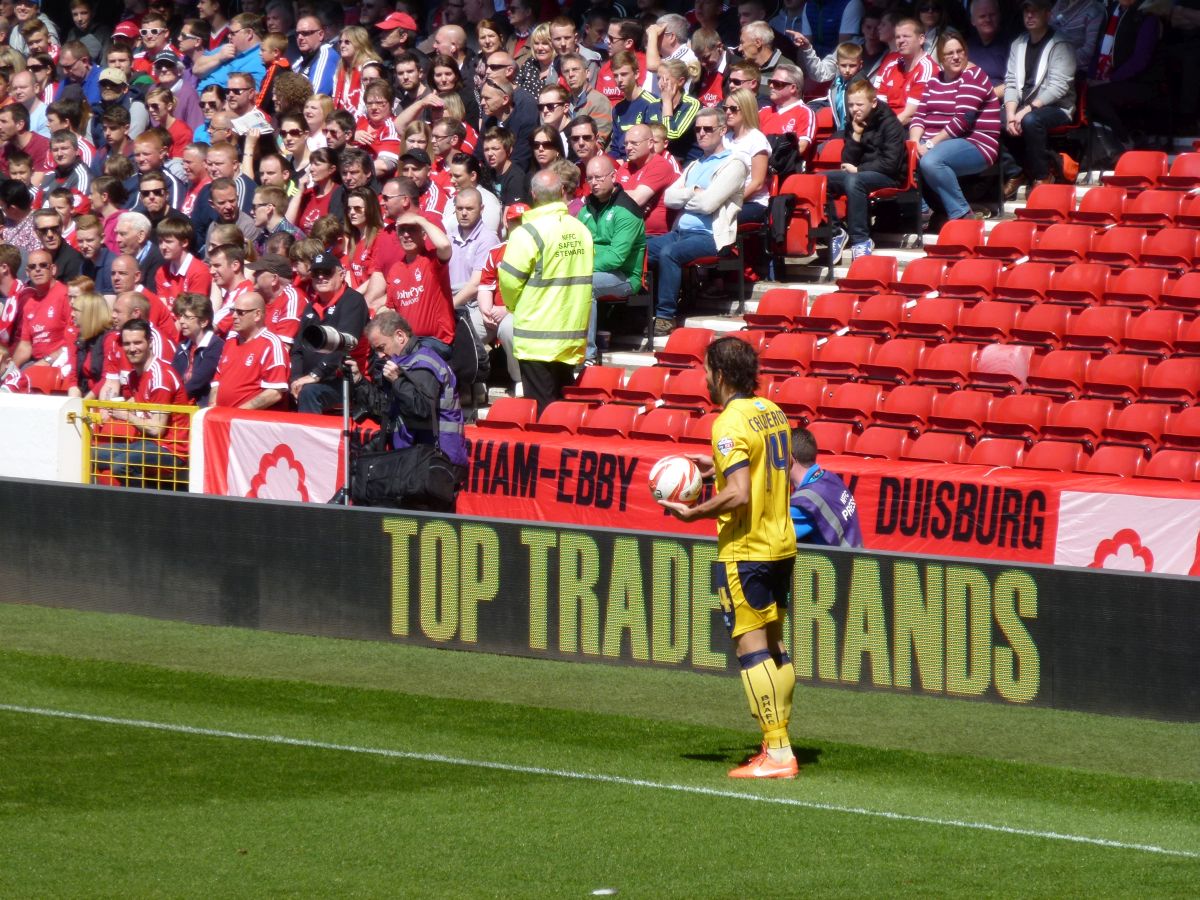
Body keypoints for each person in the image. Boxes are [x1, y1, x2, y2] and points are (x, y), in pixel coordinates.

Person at [656, 336, 799, 779]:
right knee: (776, 645)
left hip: (746, 550)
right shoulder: (772, 412)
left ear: (719, 374)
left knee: (751, 650)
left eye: (705, 371)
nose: (702, 378)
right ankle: (777, 742)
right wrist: (715, 468)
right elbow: (773, 470)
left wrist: (693, 512)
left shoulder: (727, 423)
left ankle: (777, 754)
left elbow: (738, 494)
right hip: (781, 543)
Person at [497, 168, 593, 412]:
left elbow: (509, 281)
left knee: (544, 411)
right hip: (570, 334)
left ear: (533, 195)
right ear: (562, 192)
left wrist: (512, 306)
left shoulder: (526, 233)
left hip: (536, 336)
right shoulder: (581, 230)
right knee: (564, 407)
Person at [646, 107, 747, 336]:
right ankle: (633, 310)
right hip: (681, 232)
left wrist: (689, 198)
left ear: (722, 130)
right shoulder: (693, 165)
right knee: (640, 247)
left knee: (669, 253)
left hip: (711, 235)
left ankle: (664, 316)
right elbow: (670, 198)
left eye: (708, 129)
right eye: (698, 129)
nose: (701, 133)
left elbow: (708, 204)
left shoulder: (734, 163)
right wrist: (693, 190)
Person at [349, 309, 469, 472]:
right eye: (375, 350)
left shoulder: (423, 363)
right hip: (415, 458)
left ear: (400, 336)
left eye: (382, 347)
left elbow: (422, 410)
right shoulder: (399, 365)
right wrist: (358, 380)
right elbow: (383, 411)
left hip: (439, 461)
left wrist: (398, 381)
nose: (379, 355)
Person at [909, 31, 1002, 224]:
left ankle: (961, 214)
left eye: (960, 51)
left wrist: (930, 144)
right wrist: (915, 143)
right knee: (903, 158)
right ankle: (934, 212)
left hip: (976, 143)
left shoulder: (973, 76)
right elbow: (920, 115)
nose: (956, 56)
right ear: (941, 58)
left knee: (931, 161)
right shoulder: (934, 80)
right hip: (938, 142)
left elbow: (963, 121)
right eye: (949, 53)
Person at [91, 318, 190, 488]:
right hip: (146, 444)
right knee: (88, 454)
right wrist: (112, 408)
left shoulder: (161, 377)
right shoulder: (133, 376)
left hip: (171, 449)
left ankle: (145, 508)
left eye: (137, 342)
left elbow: (156, 429)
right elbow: (138, 402)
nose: (132, 348)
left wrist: (126, 415)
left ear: (150, 342)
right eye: (127, 344)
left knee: (121, 464)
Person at [1001, 0, 1077, 198]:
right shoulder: (1018, 44)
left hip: (1056, 107)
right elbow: (1010, 82)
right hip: (1022, 106)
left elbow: (1059, 86)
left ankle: (1043, 175)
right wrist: (1010, 114)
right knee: (991, 119)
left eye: (1036, 11)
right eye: (1027, 11)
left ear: (1048, 15)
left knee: (1031, 120)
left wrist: (1026, 110)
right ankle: (1016, 172)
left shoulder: (1062, 44)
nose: (1030, 15)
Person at [826, 80, 907, 262]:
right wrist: (856, 135)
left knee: (854, 181)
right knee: (820, 180)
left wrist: (859, 169)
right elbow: (847, 161)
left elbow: (891, 163)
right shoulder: (853, 121)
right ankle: (836, 232)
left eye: (859, 104)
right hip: (861, 174)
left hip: (889, 176)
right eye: (851, 105)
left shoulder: (890, 123)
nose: (855, 109)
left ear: (874, 102)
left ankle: (861, 240)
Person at [579, 155, 646, 365]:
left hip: (625, 277)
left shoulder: (626, 210)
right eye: (589, 178)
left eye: (599, 177)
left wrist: (579, 266)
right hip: (591, 270)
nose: (594, 183)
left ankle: (588, 355)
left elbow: (616, 258)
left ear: (613, 176)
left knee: (584, 286)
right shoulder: (586, 208)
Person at [289, 251, 369, 414]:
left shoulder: (353, 300)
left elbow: (344, 344)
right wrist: (296, 379)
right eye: (316, 273)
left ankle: (309, 440)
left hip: (349, 381)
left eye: (326, 272)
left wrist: (315, 374)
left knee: (309, 392)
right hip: (316, 381)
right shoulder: (310, 307)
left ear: (341, 274)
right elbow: (297, 350)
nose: (320, 277)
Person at [209, 289, 290, 409]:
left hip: (250, 423)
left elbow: (274, 392)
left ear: (257, 315)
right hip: (223, 419)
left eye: (240, 312)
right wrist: (213, 407)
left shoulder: (271, 344)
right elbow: (217, 381)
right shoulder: (231, 341)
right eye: (233, 311)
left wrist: (238, 413)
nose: (234, 316)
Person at [788, 427, 864, 546]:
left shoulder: (804, 502)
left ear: (789, 459)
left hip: (841, 563)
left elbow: (772, 538)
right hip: (855, 559)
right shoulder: (831, 478)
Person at [873, 18, 940, 126]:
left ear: (921, 39)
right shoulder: (891, 65)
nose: (901, 40)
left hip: (909, 128)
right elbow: (879, 105)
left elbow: (908, 115)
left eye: (906, 36)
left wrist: (883, 130)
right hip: (886, 125)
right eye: (897, 37)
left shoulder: (928, 69)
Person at [171, 292, 224, 404]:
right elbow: (173, 377)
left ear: (204, 322)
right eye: (181, 316)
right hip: (180, 405)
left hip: (201, 407)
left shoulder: (216, 346)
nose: (181, 321)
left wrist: (172, 399)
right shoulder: (183, 346)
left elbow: (197, 382)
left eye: (187, 317)